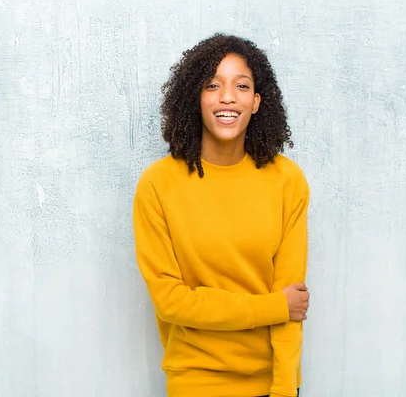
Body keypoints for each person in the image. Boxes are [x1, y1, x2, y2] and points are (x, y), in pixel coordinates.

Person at [132, 33, 310, 397]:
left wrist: (285, 389)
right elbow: (172, 302)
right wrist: (275, 306)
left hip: (270, 385)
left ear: (257, 102)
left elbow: (293, 305)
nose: (228, 96)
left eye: (241, 86)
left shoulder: (286, 181)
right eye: (213, 85)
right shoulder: (158, 185)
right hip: (194, 383)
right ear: (195, 98)